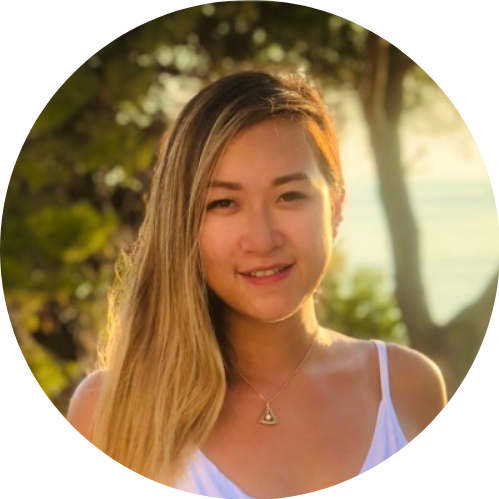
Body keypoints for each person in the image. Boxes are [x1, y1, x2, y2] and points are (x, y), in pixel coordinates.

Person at [67, 71, 447, 498]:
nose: (262, 239)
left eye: (289, 196)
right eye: (224, 203)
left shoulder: (406, 388)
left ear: (336, 206)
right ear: (183, 222)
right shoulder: (108, 410)